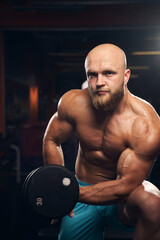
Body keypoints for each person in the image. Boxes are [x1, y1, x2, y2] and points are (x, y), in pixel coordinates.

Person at [43, 43, 160, 240]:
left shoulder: (145, 124)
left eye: (108, 73)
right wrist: (58, 185)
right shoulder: (73, 103)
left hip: (122, 202)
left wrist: (66, 194)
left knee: (152, 203)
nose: (99, 82)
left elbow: (124, 187)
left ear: (126, 76)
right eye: (92, 74)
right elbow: (52, 139)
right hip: (81, 190)